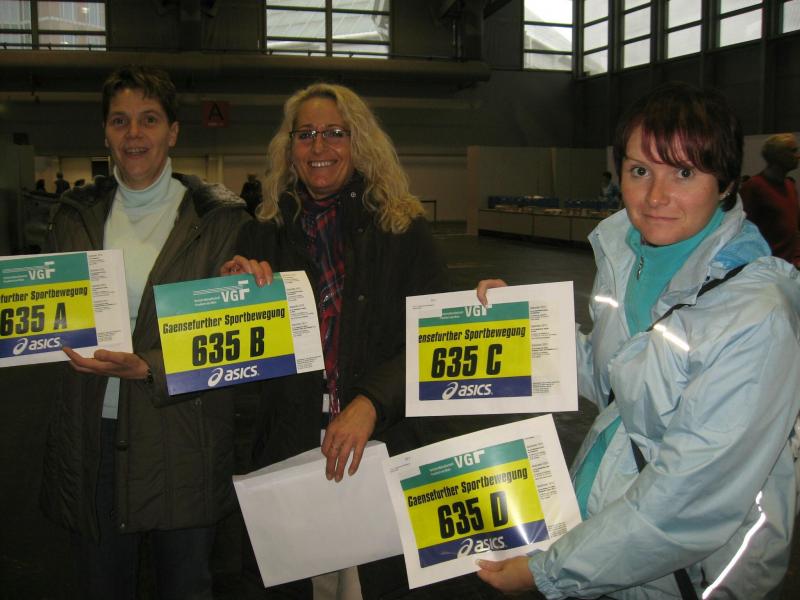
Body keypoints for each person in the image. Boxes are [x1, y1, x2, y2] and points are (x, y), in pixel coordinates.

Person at [475, 83, 800, 598]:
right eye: (640, 170)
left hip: (694, 570)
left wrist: (549, 572)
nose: (655, 197)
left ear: (725, 184)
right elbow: (615, 377)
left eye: (684, 173)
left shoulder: (756, 317)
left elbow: (690, 497)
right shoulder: (628, 256)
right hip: (606, 519)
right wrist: (523, 327)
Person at [222, 83, 507, 599]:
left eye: (335, 132)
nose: (319, 146)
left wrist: (370, 401)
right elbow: (242, 361)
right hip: (292, 448)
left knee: (367, 585)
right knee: (303, 586)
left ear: (359, 143)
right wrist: (235, 296)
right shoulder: (262, 232)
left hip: (381, 446)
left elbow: (431, 342)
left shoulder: (403, 230)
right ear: (289, 148)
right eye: (306, 134)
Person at [40, 65, 249, 600]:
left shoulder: (222, 221)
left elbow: (230, 339)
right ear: (106, 133)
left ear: (173, 132)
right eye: (120, 121)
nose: (134, 133)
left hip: (183, 438)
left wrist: (149, 366)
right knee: (101, 585)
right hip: (94, 436)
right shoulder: (73, 215)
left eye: (149, 119)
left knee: (185, 586)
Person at [740, 133, 800, 267]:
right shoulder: (754, 187)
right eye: (793, 151)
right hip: (767, 267)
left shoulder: (790, 186)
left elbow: (794, 229)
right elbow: (743, 230)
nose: (797, 156)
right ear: (778, 155)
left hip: (789, 266)